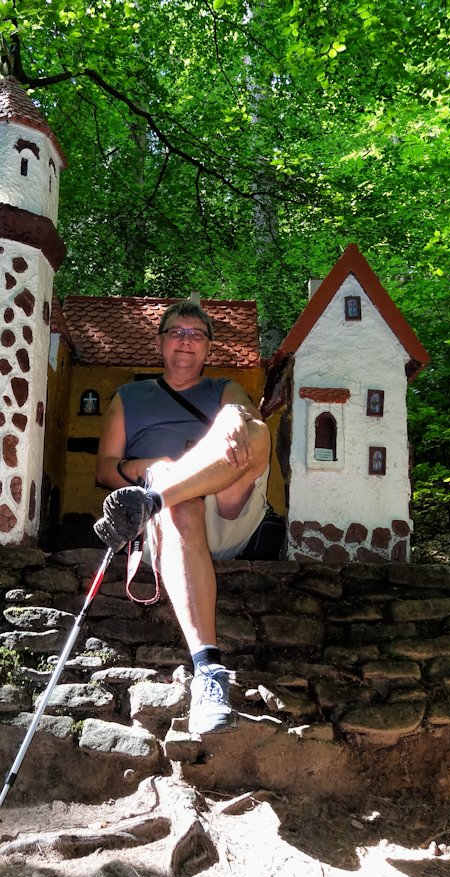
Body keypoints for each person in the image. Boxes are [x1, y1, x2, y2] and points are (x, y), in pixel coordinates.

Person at [93, 299, 271, 734]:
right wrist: (153, 466)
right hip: (173, 525)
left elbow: (247, 420)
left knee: (255, 430)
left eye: (196, 335)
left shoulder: (225, 389)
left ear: (208, 348)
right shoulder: (129, 397)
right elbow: (105, 469)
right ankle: (208, 671)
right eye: (176, 332)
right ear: (160, 343)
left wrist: (233, 415)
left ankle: (156, 498)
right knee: (178, 497)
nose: (186, 341)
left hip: (228, 508)